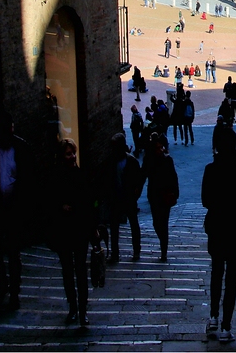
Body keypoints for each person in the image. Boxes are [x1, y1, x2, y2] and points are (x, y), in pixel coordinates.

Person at [202, 125, 236, 343]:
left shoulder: (210, 169)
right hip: (234, 226)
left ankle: (213, 316)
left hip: (217, 225)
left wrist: (218, 209)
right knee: (231, 278)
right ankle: (226, 327)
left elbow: (205, 200)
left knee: (216, 272)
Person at [0, 112, 33, 311]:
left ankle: (14, 291)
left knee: (14, 254)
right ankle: (2, 285)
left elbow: (29, 179)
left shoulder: (21, 148)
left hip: (14, 210)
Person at [49, 139, 96, 327]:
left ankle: (82, 308)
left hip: (80, 229)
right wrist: (61, 206)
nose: (72, 156)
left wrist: (93, 228)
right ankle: (73, 306)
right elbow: (49, 202)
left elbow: (90, 202)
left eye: (73, 153)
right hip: (63, 230)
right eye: (68, 153)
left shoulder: (81, 175)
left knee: (80, 270)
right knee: (68, 270)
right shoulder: (55, 178)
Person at [102, 133, 142, 264]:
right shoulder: (110, 162)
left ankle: (136, 250)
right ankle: (114, 253)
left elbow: (139, 181)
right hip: (116, 198)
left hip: (129, 199)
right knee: (114, 227)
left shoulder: (132, 162)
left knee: (133, 225)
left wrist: (135, 195)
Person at [140, 133, 179, 262]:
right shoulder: (148, 160)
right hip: (154, 195)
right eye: (158, 147)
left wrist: (175, 193)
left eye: (161, 147)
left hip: (166, 195)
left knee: (164, 223)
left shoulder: (168, 160)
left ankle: (164, 251)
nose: (161, 150)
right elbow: (142, 176)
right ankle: (163, 240)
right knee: (156, 223)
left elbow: (174, 177)